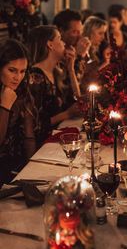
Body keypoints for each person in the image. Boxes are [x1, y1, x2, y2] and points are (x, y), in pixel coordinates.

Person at [28, 25, 82, 146]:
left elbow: (78, 100)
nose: (64, 43)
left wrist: (71, 69)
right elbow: (35, 125)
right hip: (43, 143)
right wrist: (67, 114)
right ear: (50, 45)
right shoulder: (36, 77)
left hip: (60, 135)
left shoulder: (56, 71)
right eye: (60, 39)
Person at [0, 39, 36, 185]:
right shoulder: (7, 96)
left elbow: (29, 136)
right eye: (12, 70)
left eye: (22, 71)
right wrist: (5, 106)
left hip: (14, 166)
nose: (18, 78)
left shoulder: (22, 90)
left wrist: (33, 171)